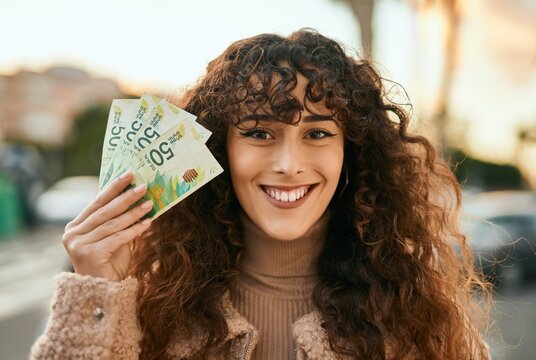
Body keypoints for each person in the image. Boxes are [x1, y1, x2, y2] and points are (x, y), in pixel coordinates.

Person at [31, 29, 491, 359]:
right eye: (258, 133)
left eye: (317, 134)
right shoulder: (150, 306)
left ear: (350, 152)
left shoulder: (419, 317)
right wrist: (96, 290)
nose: (289, 165)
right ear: (220, 149)